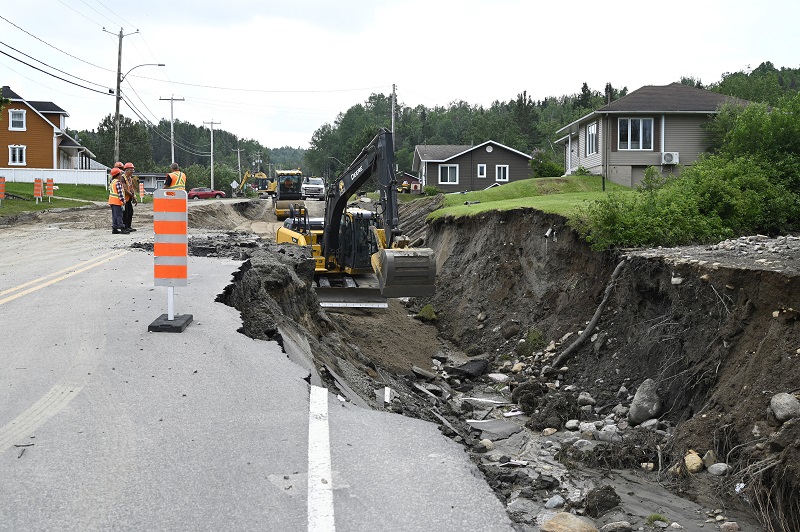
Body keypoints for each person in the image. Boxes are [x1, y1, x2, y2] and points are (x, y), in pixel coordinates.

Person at [108, 167, 128, 234]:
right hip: (117, 202)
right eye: (120, 174)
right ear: (118, 175)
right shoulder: (118, 182)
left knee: (115, 215)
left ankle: (114, 228)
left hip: (112, 201)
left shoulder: (112, 182)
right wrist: (123, 200)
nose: (121, 176)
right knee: (119, 215)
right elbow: (120, 193)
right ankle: (122, 228)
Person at [122, 162, 138, 232]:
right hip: (124, 199)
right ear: (127, 170)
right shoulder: (123, 178)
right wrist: (132, 195)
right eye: (131, 170)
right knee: (125, 213)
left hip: (128, 198)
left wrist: (134, 196)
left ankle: (128, 226)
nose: (132, 172)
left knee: (130, 212)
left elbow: (131, 188)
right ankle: (124, 227)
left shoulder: (130, 178)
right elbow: (125, 189)